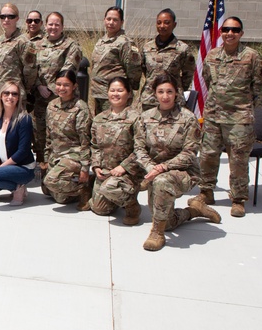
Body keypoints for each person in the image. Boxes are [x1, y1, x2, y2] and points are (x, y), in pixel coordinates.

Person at [193, 16, 262, 217]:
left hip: (239, 119)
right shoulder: (212, 56)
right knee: (208, 155)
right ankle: (206, 191)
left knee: (238, 159)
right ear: (221, 32)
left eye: (235, 30)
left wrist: (250, 106)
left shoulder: (251, 56)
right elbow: (209, 80)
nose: (230, 33)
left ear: (241, 33)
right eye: (226, 29)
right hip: (213, 115)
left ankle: (238, 199)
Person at [135, 74, 221, 251]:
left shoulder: (188, 119)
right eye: (161, 92)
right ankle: (194, 210)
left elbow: (190, 152)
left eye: (169, 92)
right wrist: (151, 167)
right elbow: (139, 148)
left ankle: (157, 233)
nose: (165, 96)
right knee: (169, 221)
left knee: (161, 182)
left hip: (184, 172)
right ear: (154, 94)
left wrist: (162, 168)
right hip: (154, 171)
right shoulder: (145, 117)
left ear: (176, 94)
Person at [90, 76, 143, 223]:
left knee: (110, 189)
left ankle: (132, 205)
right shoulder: (99, 118)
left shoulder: (136, 118)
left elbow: (142, 149)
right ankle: (103, 190)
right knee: (99, 209)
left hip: (126, 172)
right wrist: (96, 166)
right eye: (112, 90)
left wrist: (124, 167)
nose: (115, 94)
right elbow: (95, 146)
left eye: (120, 90)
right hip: (105, 171)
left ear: (129, 93)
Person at [32, 12, 82, 165]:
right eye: (50, 24)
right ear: (45, 25)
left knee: (62, 131)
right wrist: (39, 86)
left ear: (62, 27)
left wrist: (52, 88)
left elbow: (69, 70)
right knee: (40, 130)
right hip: (40, 97)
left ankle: (62, 163)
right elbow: (30, 68)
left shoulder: (71, 45)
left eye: (57, 24)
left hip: (63, 98)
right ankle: (42, 161)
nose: (53, 27)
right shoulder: (36, 45)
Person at [42, 69, 92, 208]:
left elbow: (85, 140)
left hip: (73, 155)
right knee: (51, 193)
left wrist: (85, 168)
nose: (61, 88)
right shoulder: (52, 105)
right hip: (56, 154)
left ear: (74, 86)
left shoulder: (80, 108)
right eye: (58, 84)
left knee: (51, 181)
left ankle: (84, 189)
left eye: (66, 85)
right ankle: (74, 182)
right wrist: (46, 159)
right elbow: (48, 135)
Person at [140, 8, 196, 110]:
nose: (162, 26)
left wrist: (176, 88)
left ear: (174, 25)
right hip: (150, 98)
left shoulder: (182, 49)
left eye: (166, 23)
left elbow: (188, 74)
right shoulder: (147, 47)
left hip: (173, 99)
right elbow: (144, 69)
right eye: (159, 23)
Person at [90, 6, 141, 114]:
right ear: (104, 20)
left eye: (115, 20)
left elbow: (133, 70)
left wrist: (126, 90)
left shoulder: (125, 42)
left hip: (115, 95)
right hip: (99, 93)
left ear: (121, 22)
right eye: (108, 19)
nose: (111, 22)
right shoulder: (101, 41)